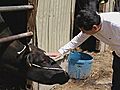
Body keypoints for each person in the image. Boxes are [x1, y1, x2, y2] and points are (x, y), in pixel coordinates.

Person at [47, 9, 120, 90]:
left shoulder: (116, 25)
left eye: (83, 31)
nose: (83, 33)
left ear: (94, 28)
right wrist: (61, 51)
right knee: (117, 84)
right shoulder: (94, 22)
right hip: (118, 55)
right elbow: (79, 38)